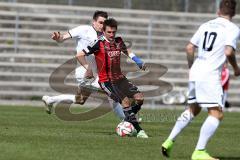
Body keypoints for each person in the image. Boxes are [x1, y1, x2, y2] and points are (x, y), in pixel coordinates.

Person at [161, 0, 240, 159]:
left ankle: (169, 141)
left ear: (218, 11)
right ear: (234, 13)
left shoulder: (206, 25)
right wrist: (236, 68)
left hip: (196, 71)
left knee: (193, 109)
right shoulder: (233, 28)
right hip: (210, 75)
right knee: (216, 114)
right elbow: (228, 52)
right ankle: (199, 151)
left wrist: (191, 66)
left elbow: (189, 47)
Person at [42, 11, 125, 120]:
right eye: (100, 22)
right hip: (84, 72)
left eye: (104, 23)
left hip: (97, 73)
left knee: (80, 100)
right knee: (110, 94)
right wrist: (58, 37)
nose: (102, 25)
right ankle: (128, 120)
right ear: (93, 22)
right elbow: (63, 37)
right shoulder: (83, 29)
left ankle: (50, 100)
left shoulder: (106, 36)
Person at [76, 18, 149, 138]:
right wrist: (87, 68)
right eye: (109, 32)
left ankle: (127, 120)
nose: (111, 34)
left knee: (140, 98)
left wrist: (138, 61)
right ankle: (139, 130)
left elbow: (127, 51)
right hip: (107, 81)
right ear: (103, 31)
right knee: (125, 101)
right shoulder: (98, 43)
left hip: (120, 79)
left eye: (113, 32)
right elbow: (79, 54)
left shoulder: (118, 41)